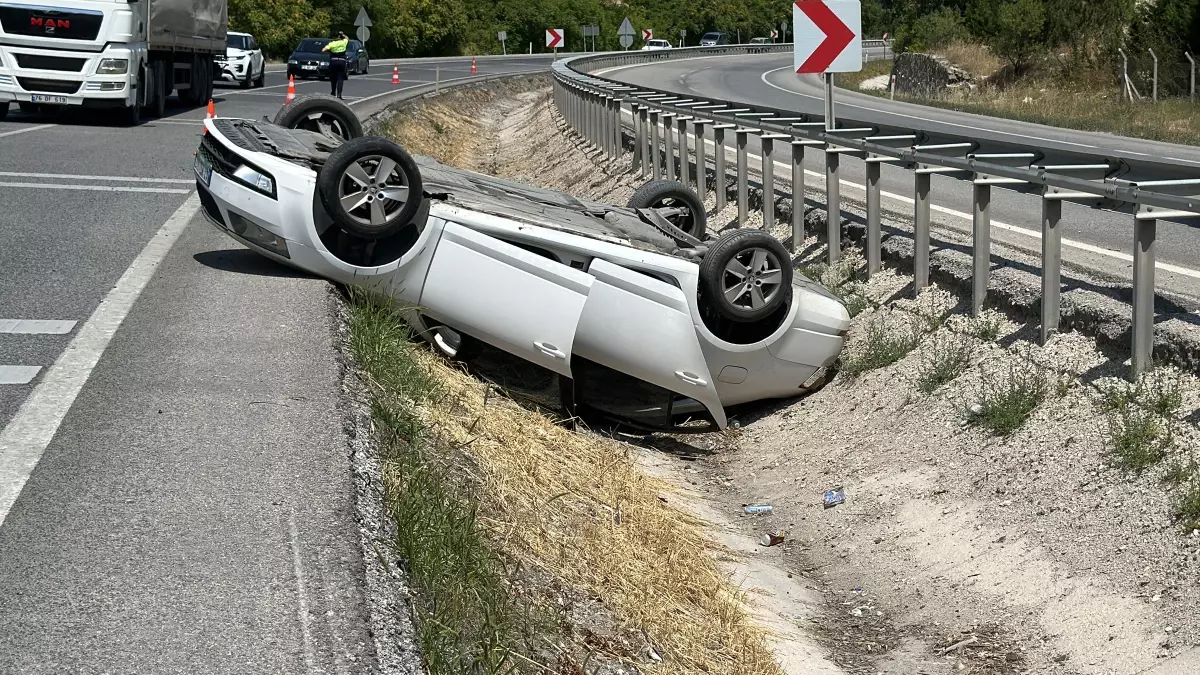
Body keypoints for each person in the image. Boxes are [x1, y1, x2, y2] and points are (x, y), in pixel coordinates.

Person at [322, 31, 350, 99]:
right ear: (341, 37)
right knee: (340, 78)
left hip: (333, 61)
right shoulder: (343, 42)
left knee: (333, 78)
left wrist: (330, 50)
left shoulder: (332, 43)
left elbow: (323, 50)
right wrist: (343, 34)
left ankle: (333, 92)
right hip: (342, 61)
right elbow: (347, 38)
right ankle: (339, 94)